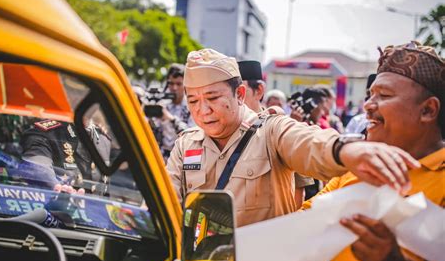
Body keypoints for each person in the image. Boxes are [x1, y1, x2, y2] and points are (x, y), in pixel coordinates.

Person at [167, 48, 419, 230]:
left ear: (240, 93)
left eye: (212, 98)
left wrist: (346, 150)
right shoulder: (185, 144)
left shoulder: (271, 131)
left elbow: (308, 143)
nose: (202, 110)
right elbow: (166, 201)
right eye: (193, 101)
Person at [301, 41, 444, 261]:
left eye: (384, 96)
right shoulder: (356, 169)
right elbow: (302, 229)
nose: (368, 105)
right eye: (370, 95)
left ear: (428, 110)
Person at [238, 61, 315, 210]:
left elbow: (298, 189)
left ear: (259, 90)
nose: (235, 98)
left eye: (240, 90)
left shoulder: (278, 129)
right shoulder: (221, 130)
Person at [21, 119, 111, 193]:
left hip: (95, 213)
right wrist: (57, 188)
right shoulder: (48, 132)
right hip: (54, 209)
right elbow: (37, 167)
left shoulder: (103, 140)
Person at [149, 64, 194, 161]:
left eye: (178, 84)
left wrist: (170, 119)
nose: (174, 88)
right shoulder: (161, 105)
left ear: (185, 85)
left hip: (183, 159)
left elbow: (191, 136)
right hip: (161, 159)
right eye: (171, 83)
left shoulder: (192, 106)